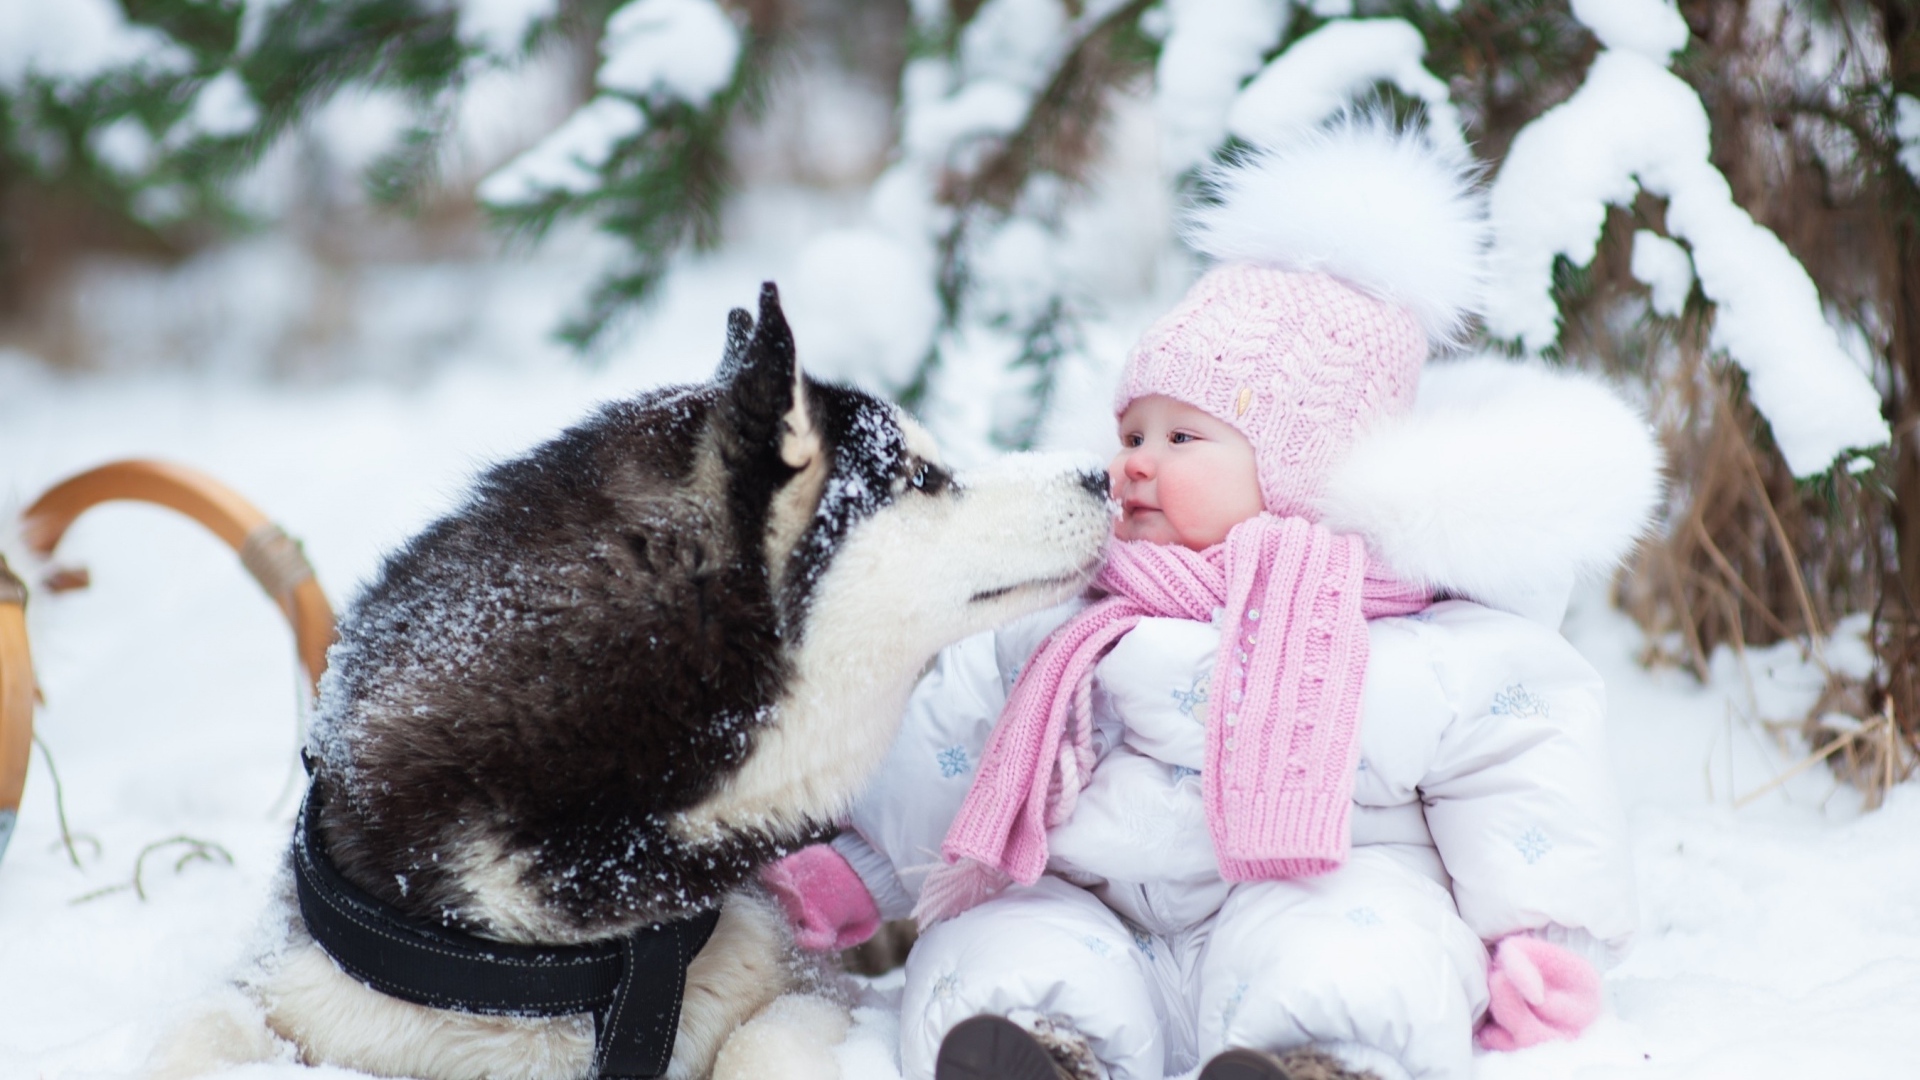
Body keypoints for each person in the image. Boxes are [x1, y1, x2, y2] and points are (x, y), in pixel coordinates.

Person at [761, 115, 1660, 1080]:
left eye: (1182, 440)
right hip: (1099, 906)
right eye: (1131, 431)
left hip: (1310, 889)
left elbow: (1523, 761)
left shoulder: (1410, 636)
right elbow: (959, 743)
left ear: (1300, 470)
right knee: (1000, 940)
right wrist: (857, 864)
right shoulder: (1074, 615)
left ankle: (1320, 1061)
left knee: (1365, 943)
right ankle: (1044, 1053)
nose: (1135, 463)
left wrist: (1541, 933)